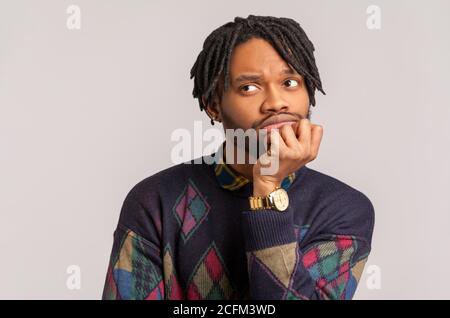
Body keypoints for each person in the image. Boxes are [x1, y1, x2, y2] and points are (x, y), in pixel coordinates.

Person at [102, 14, 375, 300]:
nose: (276, 102)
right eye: (249, 88)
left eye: (290, 82)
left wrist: (268, 187)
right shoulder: (156, 200)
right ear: (213, 106)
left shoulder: (344, 209)